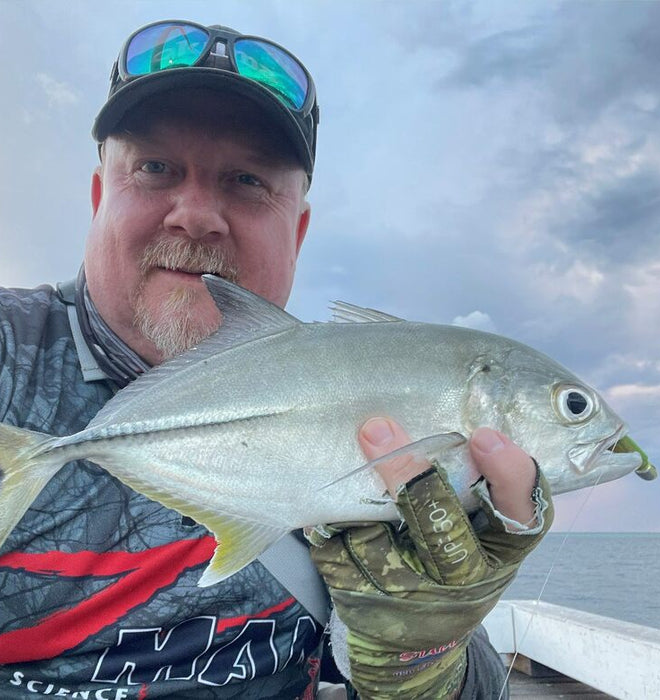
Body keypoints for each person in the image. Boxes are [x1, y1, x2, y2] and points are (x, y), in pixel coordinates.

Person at [0, 20, 552, 699]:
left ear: (298, 230)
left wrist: (421, 660)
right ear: (97, 197)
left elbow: (477, 687)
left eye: (247, 180)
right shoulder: (9, 355)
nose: (196, 214)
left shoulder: (380, 405)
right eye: (154, 168)